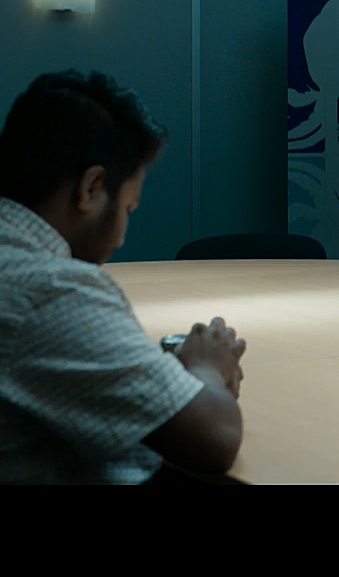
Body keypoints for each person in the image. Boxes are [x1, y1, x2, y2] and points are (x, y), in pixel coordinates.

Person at [0, 69, 247, 484]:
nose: (121, 239)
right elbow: (215, 438)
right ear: (91, 188)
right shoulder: (52, 290)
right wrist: (205, 366)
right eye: (128, 209)